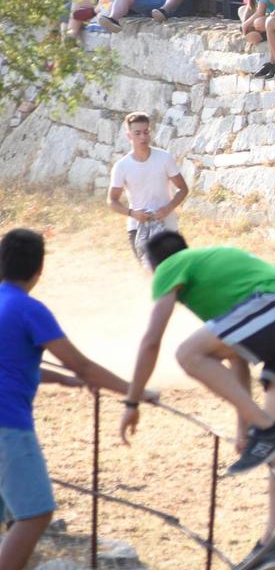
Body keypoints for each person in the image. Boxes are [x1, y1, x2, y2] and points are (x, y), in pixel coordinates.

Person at [121, 232, 275, 570]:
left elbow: (151, 341)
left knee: (188, 353)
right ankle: (272, 546)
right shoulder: (212, 272)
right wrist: (242, 424)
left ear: (151, 266)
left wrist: (131, 403)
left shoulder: (170, 267)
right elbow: (237, 359)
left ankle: (266, 430)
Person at [0, 229, 146, 570]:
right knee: (36, 513)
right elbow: (82, 364)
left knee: (12, 513)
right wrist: (135, 392)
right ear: (39, 272)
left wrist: (64, 380)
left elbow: (13, 362)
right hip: (7, 424)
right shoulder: (29, 309)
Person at [107, 112, 189, 267]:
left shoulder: (164, 158)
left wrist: (167, 209)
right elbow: (112, 201)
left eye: (146, 132)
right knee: (151, 275)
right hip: (137, 228)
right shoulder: (121, 167)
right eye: (137, 133)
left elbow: (183, 189)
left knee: (178, 271)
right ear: (129, 136)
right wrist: (133, 214)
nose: (143, 137)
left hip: (168, 226)